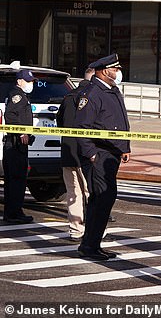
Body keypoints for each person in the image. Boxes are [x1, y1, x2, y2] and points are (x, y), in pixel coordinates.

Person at [75, 54, 130, 261]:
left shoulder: (112, 91)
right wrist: (91, 154)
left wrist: (124, 146)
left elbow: (119, 121)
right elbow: (82, 127)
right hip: (99, 154)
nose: (118, 73)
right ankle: (89, 245)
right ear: (104, 71)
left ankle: (93, 243)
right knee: (102, 198)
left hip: (112, 154)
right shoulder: (92, 93)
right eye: (115, 69)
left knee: (104, 199)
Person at [56, 67, 94, 240]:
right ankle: (94, 230)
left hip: (68, 152)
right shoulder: (92, 97)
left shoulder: (68, 96)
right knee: (92, 192)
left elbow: (60, 121)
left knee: (73, 193)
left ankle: (75, 230)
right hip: (86, 153)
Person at [2, 69, 37, 224]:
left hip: (16, 144)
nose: (31, 84)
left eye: (31, 81)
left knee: (14, 180)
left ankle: (13, 211)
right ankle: (14, 212)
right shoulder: (17, 96)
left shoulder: (21, 96)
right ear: (19, 81)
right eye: (28, 81)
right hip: (16, 144)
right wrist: (22, 132)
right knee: (17, 179)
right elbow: (10, 116)